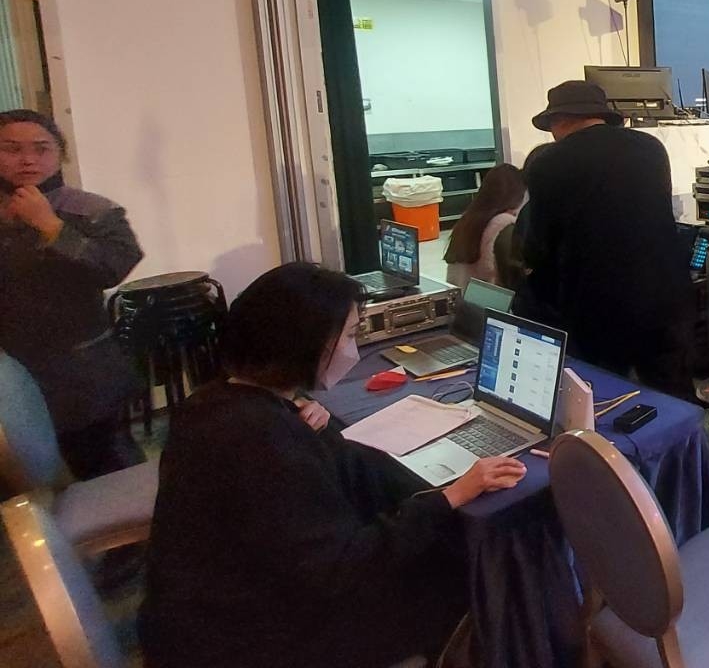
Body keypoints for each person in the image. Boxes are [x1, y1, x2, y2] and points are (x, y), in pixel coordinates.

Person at [140, 262, 526, 668]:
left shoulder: (214, 404)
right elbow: (346, 565)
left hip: (203, 620)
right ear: (307, 344)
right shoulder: (265, 442)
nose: (353, 351)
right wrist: (449, 497)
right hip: (252, 640)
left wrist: (310, 427)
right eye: (351, 335)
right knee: (461, 575)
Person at [520, 80, 692, 393]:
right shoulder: (650, 148)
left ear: (559, 120)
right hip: (663, 295)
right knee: (670, 387)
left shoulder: (548, 163)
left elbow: (540, 245)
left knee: (603, 393)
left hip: (595, 303)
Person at [0, 109, 144, 480]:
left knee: (110, 473)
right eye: (12, 149)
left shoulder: (90, 210)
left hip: (84, 373)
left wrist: (51, 227)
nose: (28, 159)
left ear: (59, 154)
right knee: (25, 482)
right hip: (11, 375)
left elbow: (115, 266)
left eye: (41, 148)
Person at [442, 162, 524, 289]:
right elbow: (504, 276)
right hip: (486, 298)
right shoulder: (504, 224)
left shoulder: (468, 219)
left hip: (459, 296)